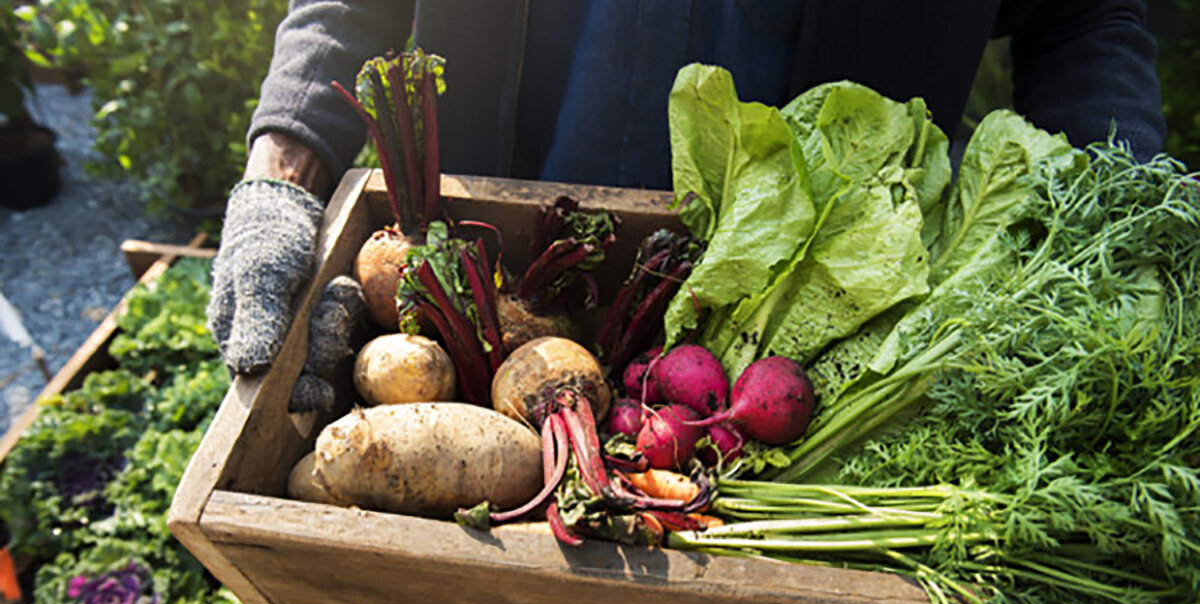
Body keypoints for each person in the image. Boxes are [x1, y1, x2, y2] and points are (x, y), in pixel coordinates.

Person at [208, 0, 1166, 408]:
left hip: (817, 312)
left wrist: (1114, 229)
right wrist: (282, 168)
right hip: (495, 288)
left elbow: (1085, 17)